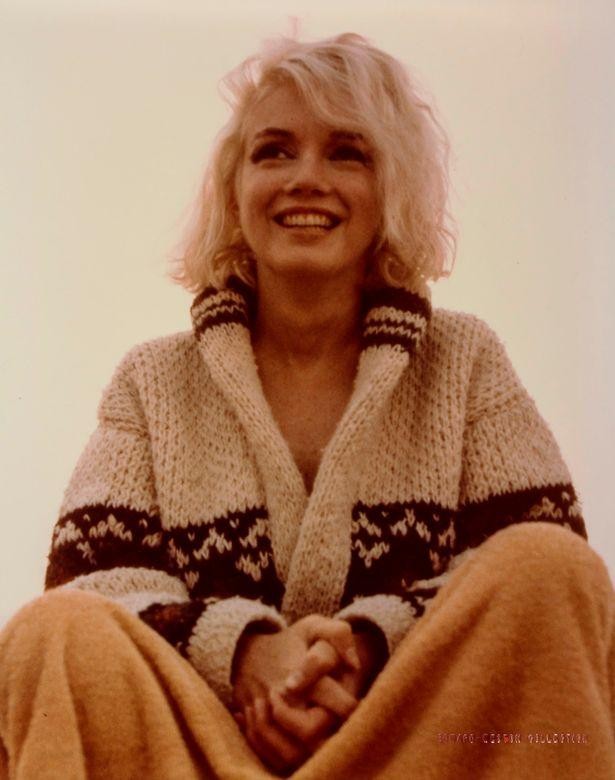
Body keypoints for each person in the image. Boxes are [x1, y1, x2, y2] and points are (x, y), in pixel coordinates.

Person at [1, 32, 614, 780]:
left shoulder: (465, 360)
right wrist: (244, 652)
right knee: (52, 631)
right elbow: (91, 584)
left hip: (410, 750)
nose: (306, 179)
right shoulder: (151, 381)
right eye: (274, 152)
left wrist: (367, 646)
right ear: (234, 192)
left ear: (391, 191)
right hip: (202, 757)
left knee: (553, 566)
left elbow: (538, 576)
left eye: (347, 154)